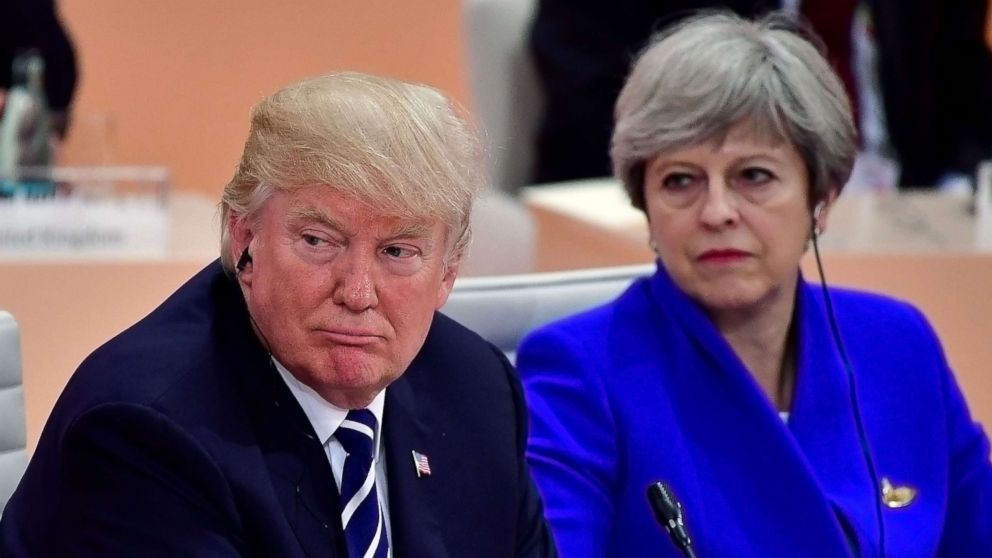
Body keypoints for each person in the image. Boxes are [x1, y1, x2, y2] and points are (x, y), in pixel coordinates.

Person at [0, 72, 558, 558]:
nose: (359, 292)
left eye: (398, 252)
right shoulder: (145, 433)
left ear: (448, 272)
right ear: (244, 240)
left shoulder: (478, 389)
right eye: (319, 241)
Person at [518, 12, 992, 558]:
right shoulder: (579, 372)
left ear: (822, 199)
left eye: (754, 176)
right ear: (645, 208)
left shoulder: (897, 343)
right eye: (680, 181)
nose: (717, 211)